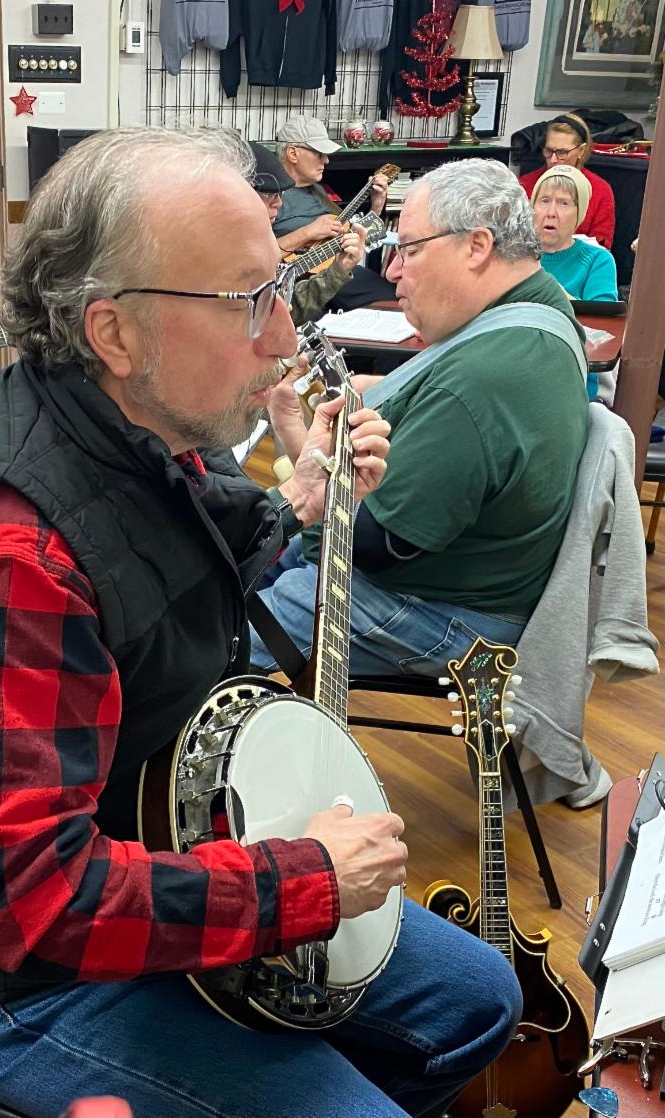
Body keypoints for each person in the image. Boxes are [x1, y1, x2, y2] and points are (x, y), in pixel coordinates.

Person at [0, 126, 521, 1118]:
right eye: (246, 301)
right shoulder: (4, 553)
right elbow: (35, 903)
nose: (282, 337)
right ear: (114, 331)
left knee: (481, 1001)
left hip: (169, 845)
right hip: (34, 986)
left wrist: (305, 490)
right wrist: (302, 881)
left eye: (278, 290)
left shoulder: (141, 428)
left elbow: (181, 560)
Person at [253, 158, 607, 806]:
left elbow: (370, 545)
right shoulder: (544, 311)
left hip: (451, 611)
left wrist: (294, 440)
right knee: (251, 562)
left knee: (225, 628)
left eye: (409, 249)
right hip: (479, 579)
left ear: (477, 246)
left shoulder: (486, 376)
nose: (392, 269)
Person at [251, 141, 366, 325]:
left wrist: (339, 270)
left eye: (280, 195)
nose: (279, 203)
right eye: (269, 195)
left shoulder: (317, 191)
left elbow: (289, 309)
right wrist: (307, 232)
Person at [271, 116, 387, 252]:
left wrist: (376, 207)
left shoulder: (318, 190)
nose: (326, 160)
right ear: (293, 154)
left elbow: (356, 242)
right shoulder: (269, 197)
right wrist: (307, 232)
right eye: (320, 154)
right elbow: (257, 257)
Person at [518, 114, 616, 249]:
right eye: (549, 151)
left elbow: (601, 247)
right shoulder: (524, 185)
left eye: (562, 153)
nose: (553, 160)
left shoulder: (600, 190)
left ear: (581, 151)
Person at [532, 164, 618, 303]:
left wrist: (554, 293)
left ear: (579, 214)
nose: (551, 212)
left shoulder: (597, 260)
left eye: (563, 203)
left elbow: (602, 315)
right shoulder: (513, 255)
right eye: (545, 201)